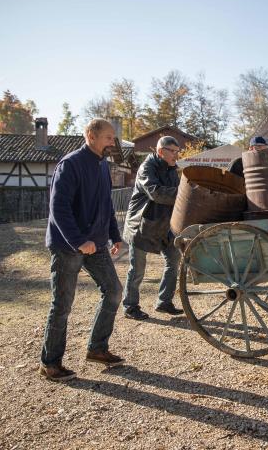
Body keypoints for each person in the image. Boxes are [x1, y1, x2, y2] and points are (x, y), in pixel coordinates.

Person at [40, 118, 125, 382]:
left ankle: (97, 348)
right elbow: (59, 208)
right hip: (69, 246)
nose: (113, 142)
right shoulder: (71, 164)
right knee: (62, 304)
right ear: (91, 135)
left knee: (113, 291)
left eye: (113, 137)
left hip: (96, 243)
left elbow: (106, 205)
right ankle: (50, 364)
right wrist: (78, 240)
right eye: (109, 137)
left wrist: (114, 235)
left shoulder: (102, 165)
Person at [122, 136, 183, 320]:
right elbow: (156, 193)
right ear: (160, 151)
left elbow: (176, 197)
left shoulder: (172, 170)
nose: (176, 155)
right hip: (141, 225)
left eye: (177, 151)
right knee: (137, 269)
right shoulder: (146, 168)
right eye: (172, 151)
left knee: (173, 262)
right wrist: (184, 193)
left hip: (164, 226)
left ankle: (164, 302)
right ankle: (130, 306)